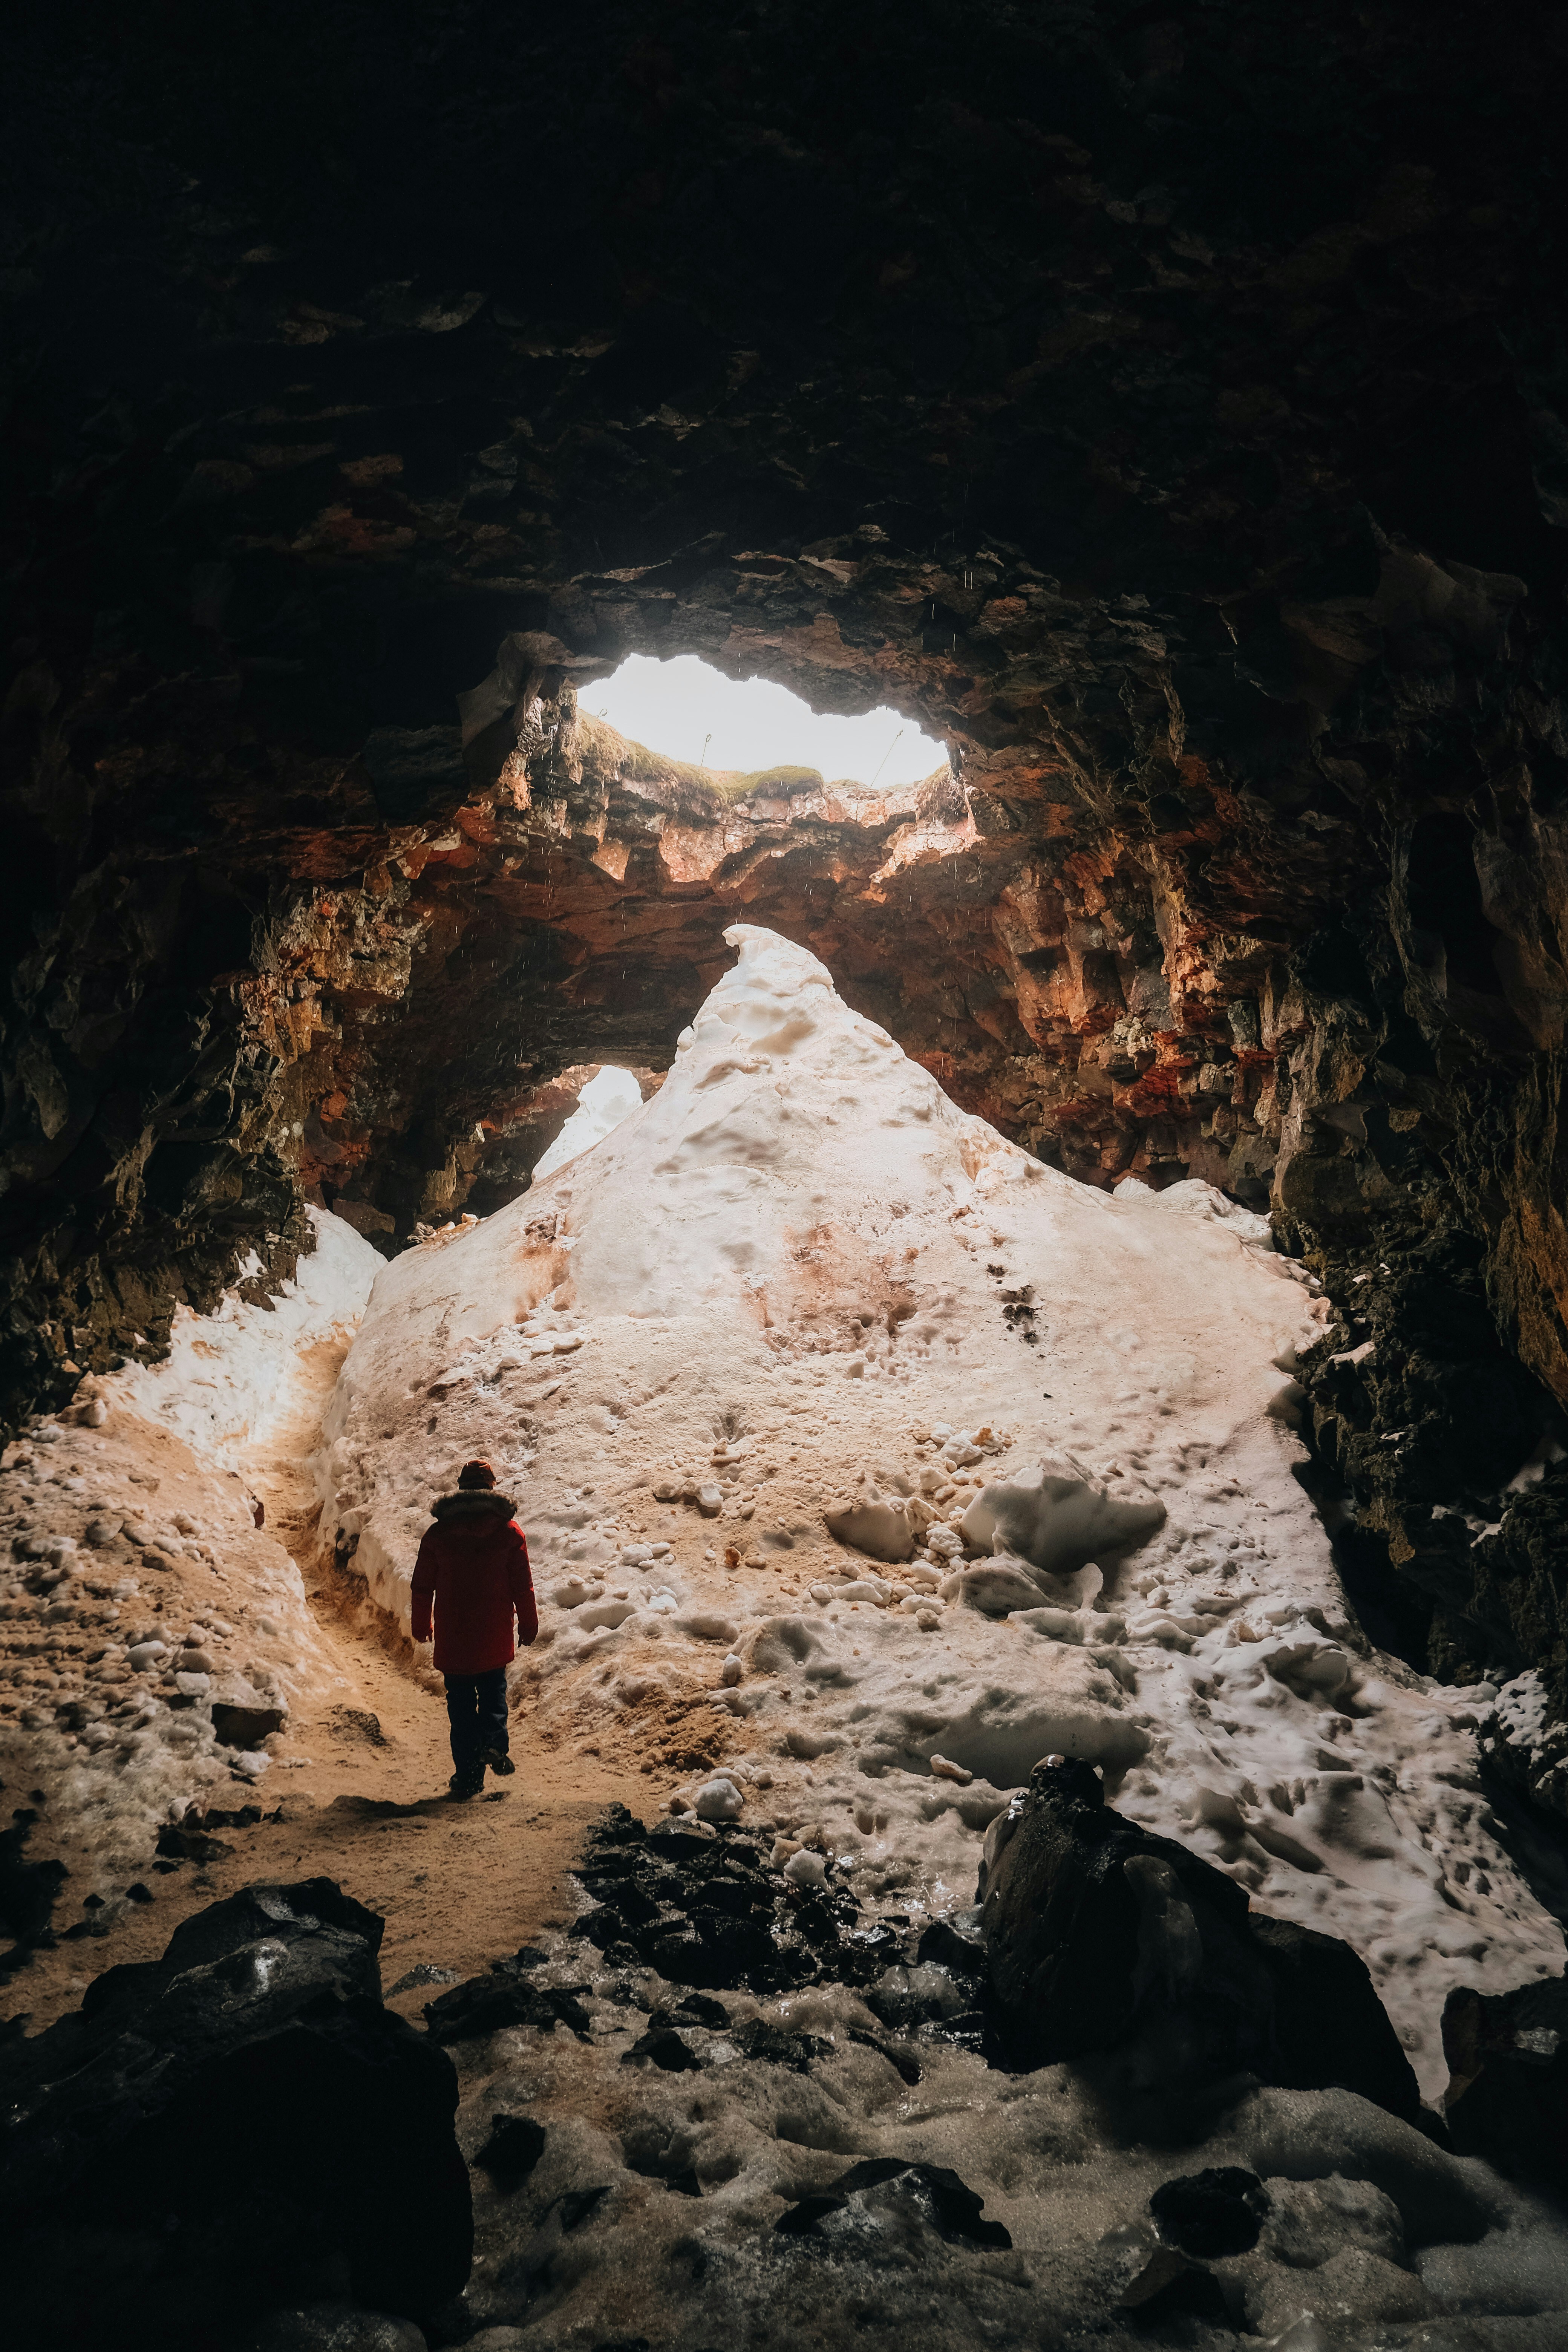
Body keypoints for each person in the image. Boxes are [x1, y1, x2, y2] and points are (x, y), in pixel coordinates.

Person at [411, 1458, 537, 1799]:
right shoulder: (509, 1534)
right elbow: (521, 1586)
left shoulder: (438, 1534)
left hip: (454, 1637)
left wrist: (422, 1624)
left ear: (461, 1489)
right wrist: (528, 1624)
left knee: (461, 1706)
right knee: (494, 1692)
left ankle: (468, 1777)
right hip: (493, 1633)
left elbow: (422, 1585)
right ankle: (494, 1743)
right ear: (493, 1488)